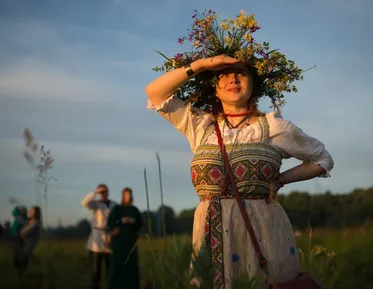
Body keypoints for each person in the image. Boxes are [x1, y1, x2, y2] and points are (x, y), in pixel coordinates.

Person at [145, 10, 334, 289]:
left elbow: (322, 160)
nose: (233, 78)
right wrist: (203, 64)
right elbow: (155, 94)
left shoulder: (274, 126)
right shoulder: (200, 124)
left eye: (241, 73)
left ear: (253, 85)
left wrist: (281, 179)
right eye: (224, 74)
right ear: (214, 88)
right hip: (210, 233)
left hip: (263, 232)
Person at [81, 184, 116, 289]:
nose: (104, 193)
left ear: (108, 192)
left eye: (105, 191)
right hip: (96, 238)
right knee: (96, 272)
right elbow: (84, 202)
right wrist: (95, 193)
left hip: (110, 237)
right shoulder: (96, 204)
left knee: (111, 270)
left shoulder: (114, 204)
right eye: (102, 192)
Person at [107, 187, 143, 289]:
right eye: (127, 194)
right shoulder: (117, 209)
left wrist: (133, 222)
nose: (129, 196)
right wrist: (121, 221)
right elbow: (110, 223)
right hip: (119, 242)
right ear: (123, 196)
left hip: (131, 241)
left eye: (130, 194)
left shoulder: (134, 210)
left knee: (132, 266)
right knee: (118, 265)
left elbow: (140, 223)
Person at [13, 206, 42, 278]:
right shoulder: (30, 221)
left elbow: (23, 233)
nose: (29, 212)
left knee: (21, 266)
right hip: (24, 247)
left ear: (35, 213)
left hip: (26, 248)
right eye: (30, 210)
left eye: (31, 211)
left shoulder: (35, 223)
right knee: (21, 268)